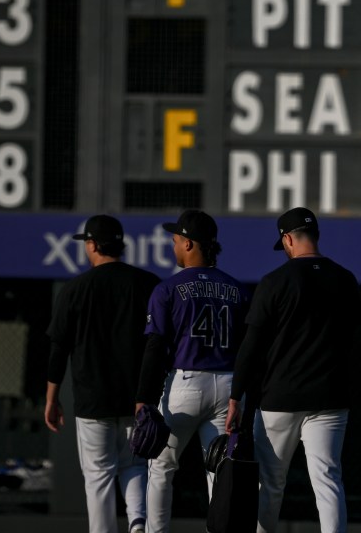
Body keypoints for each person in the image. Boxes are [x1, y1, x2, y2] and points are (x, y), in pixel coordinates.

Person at [225, 206, 361, 533]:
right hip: (330, 396)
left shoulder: (275, 281)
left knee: (270, 483)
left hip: (280, 398)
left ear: (287, 239)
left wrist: (235, 397)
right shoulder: (345, 279)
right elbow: (353, 337)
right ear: (315, 236)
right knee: (328, 480)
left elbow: (251, 346)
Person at [135, 209, 250, 533]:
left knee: (160, 468)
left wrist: (143, 397)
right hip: (228, 387)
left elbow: (155, 347)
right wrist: (240, 395)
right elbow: (247, 349)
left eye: (175, 240)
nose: (173, 246)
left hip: (185, 384)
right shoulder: (237, 289)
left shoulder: (168, 289)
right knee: (220, 471)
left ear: (188, 243)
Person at [45, 214, 161, 533]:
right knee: (136, 464)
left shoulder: (74, 289)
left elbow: (58, 349)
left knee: (99, 475)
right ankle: (138, 521)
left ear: (93, 245)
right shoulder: (147, 283)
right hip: (136, 395)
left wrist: (52, 400)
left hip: (92, 398)